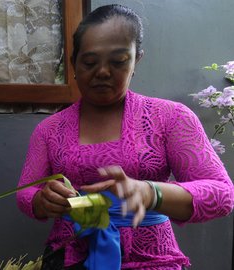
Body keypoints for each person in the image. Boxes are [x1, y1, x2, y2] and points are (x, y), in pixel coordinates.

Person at [16, 4, 234, 270]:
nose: (103, 72)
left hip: (151, 260)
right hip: (70, 257)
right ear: (73, 64)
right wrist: (42, 201)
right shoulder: (50, 129)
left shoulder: (170, 117)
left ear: (136, 60)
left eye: (118, 61)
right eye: (89, 62)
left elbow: (222, 194)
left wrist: (151, 192)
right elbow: (26, 191)